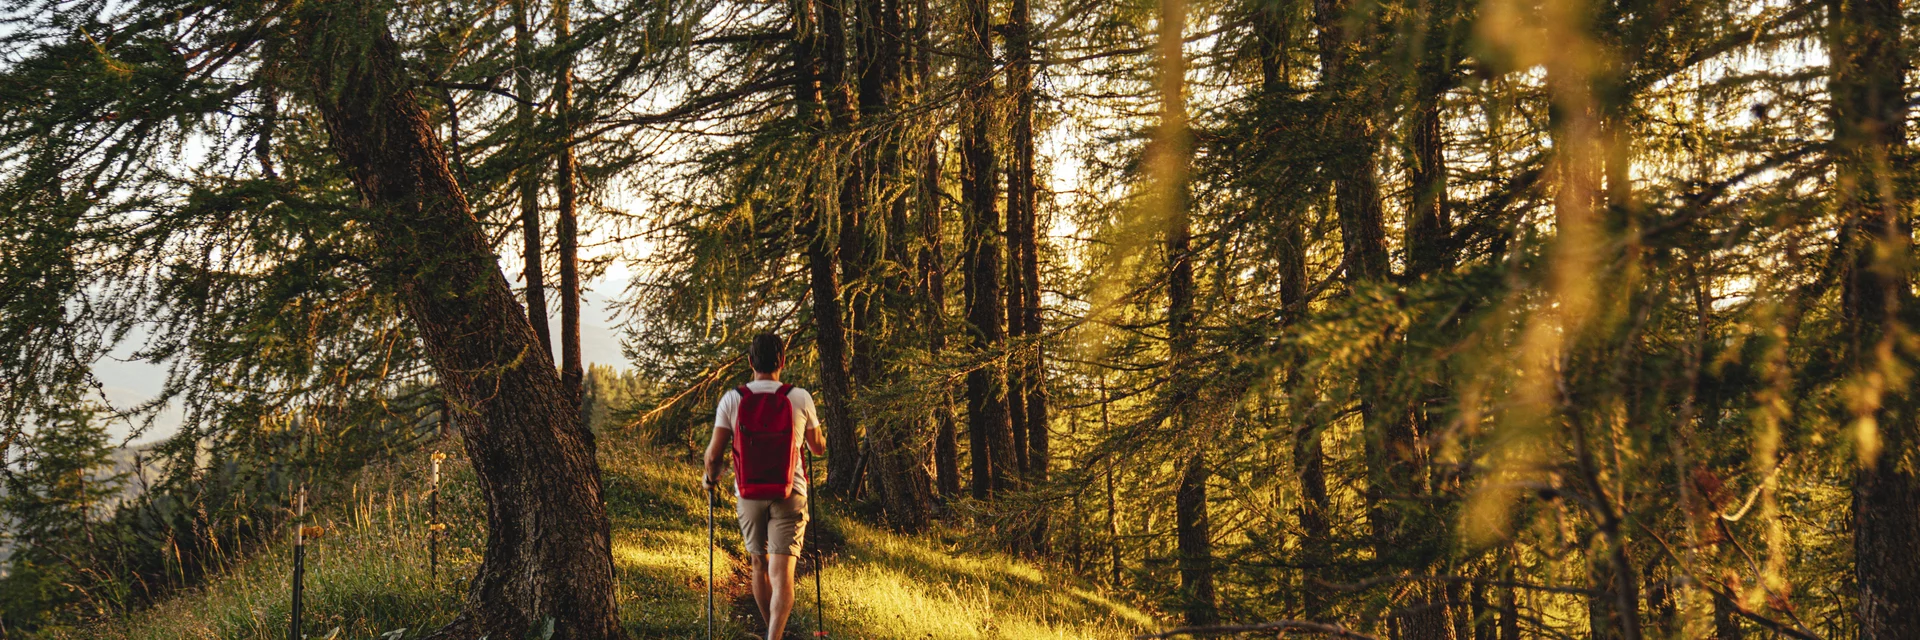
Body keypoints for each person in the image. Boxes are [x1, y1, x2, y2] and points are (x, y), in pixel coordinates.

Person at [704, 332, 827, 640]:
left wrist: (711, 478)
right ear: (782, 362)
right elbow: (818, 448)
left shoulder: (733, 398)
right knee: (783, 574)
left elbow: (714, 454)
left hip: (749, 493)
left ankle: (772, 631)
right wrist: (814, 437)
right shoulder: (799, 397)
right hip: (791, 491)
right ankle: (775, 636)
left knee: (759, 564)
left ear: (750, 363)